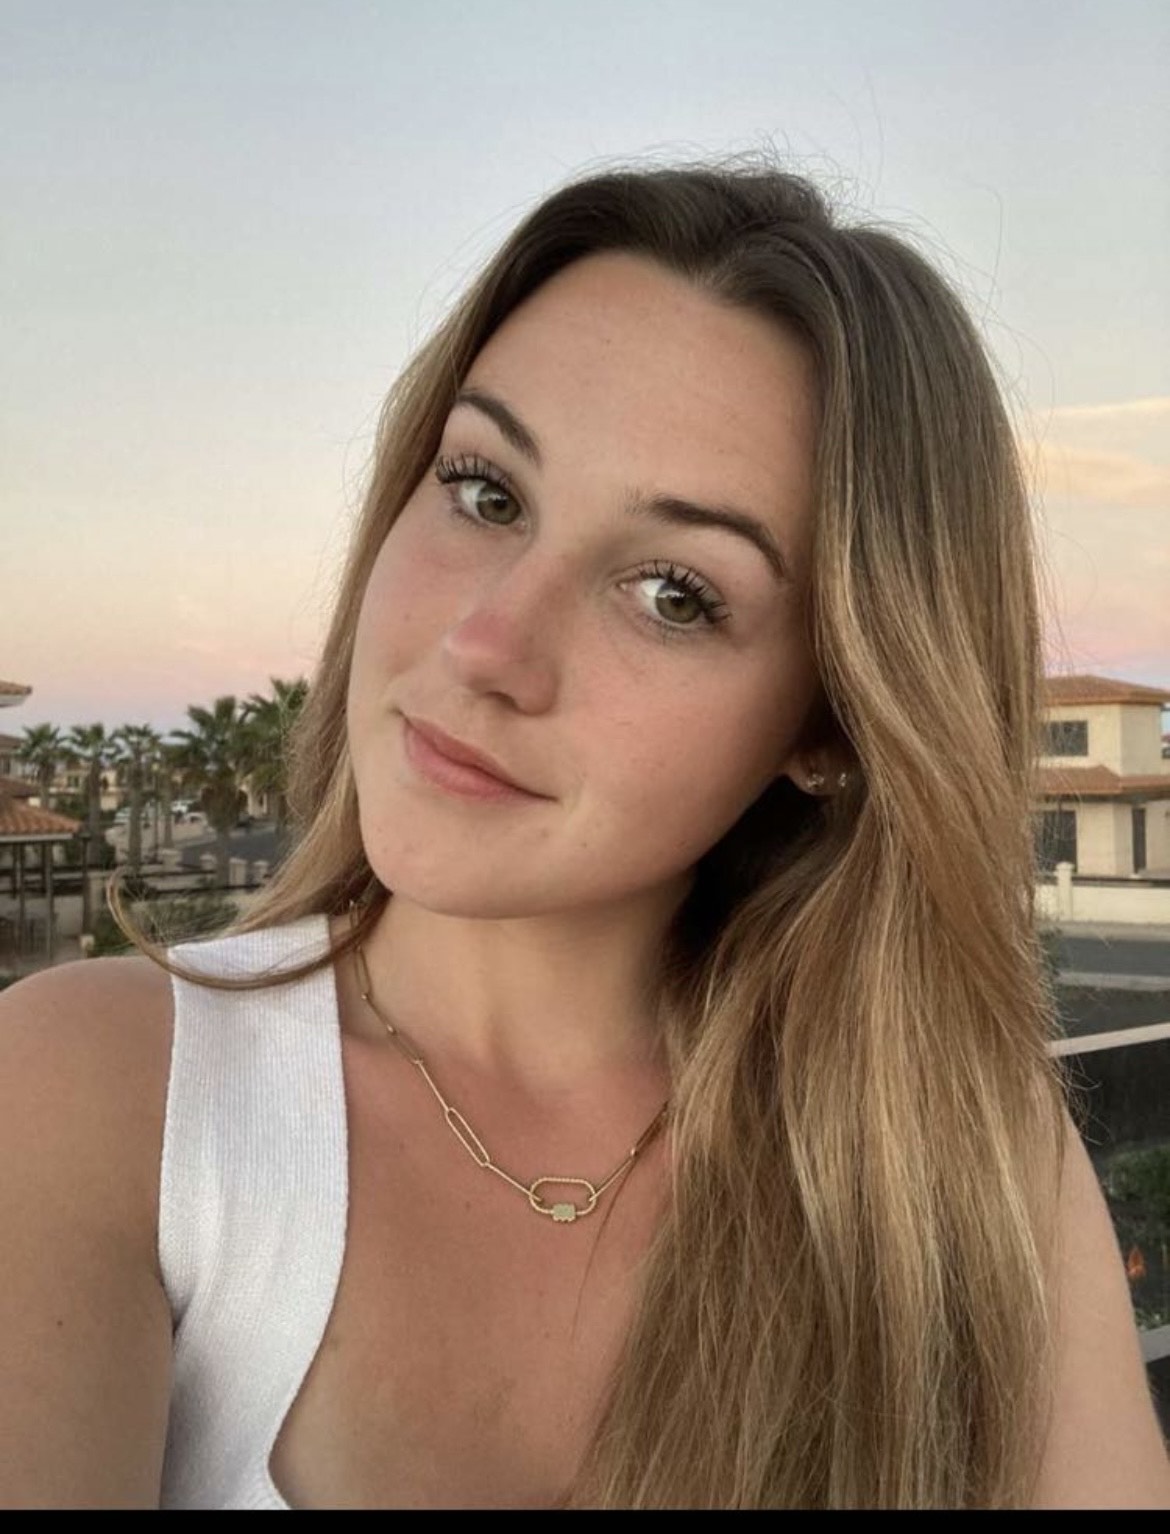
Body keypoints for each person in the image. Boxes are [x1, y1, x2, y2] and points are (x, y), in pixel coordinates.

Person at [1, 161, 1167, 1511]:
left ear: (831, 726)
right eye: (486, 492)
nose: (483, 644)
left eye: (673, 592)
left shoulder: (959, 1162)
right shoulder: (101, 1096)